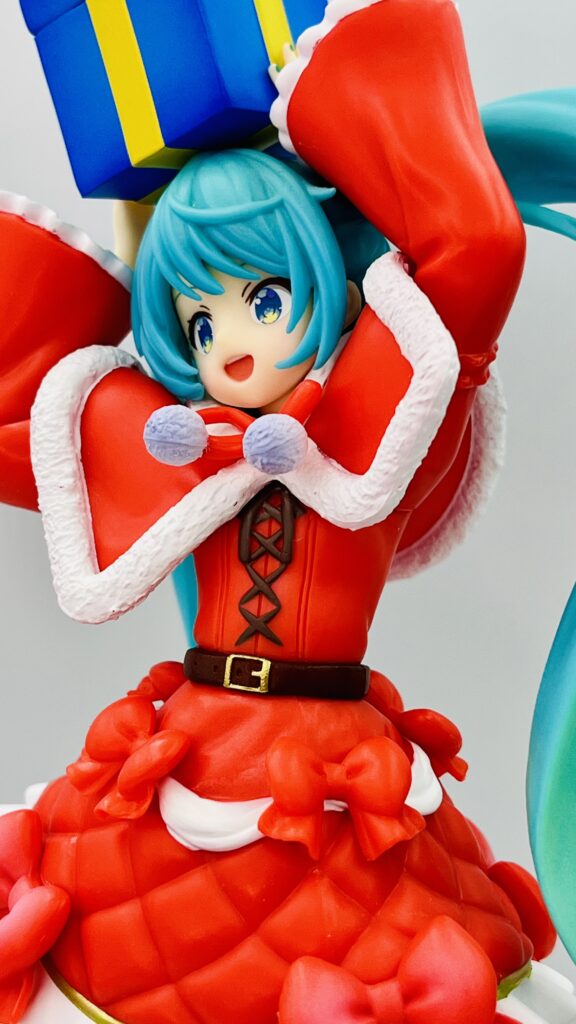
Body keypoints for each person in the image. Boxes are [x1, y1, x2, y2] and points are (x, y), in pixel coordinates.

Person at [1, 3, 576, 1022]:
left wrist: (340, 104)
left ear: (321, 290)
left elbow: (474, 256)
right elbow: (33, 427)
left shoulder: (379, 409)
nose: (231, 343)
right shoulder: (159, 433)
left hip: (334, 761)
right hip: (188, 748)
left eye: (263, 302)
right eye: (199, 319)